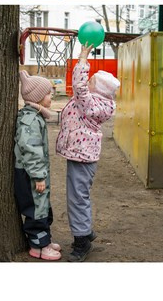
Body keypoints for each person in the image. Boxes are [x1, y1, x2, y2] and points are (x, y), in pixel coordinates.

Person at [55, 63, 118, 260]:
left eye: (90, 81)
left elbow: (79, 87)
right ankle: (85, 230)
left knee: (77, 198)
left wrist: (83, 59)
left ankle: (82, 240)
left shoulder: (92, 104)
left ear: (98, 88)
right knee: (80, 195)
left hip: (82, 157)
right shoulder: (94, 102)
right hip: (80, 155)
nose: (86, 81)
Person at [15, 73, 61, 260]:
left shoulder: (35, 116)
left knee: (42, 206)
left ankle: (45, 240)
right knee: (36, 209)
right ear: (37, 97)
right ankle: (38, 247)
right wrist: (38, 176)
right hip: (30, 174)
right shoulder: (30, 120)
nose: (51, 97)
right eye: (49, 94)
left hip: (35, 172)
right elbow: (31, 149)